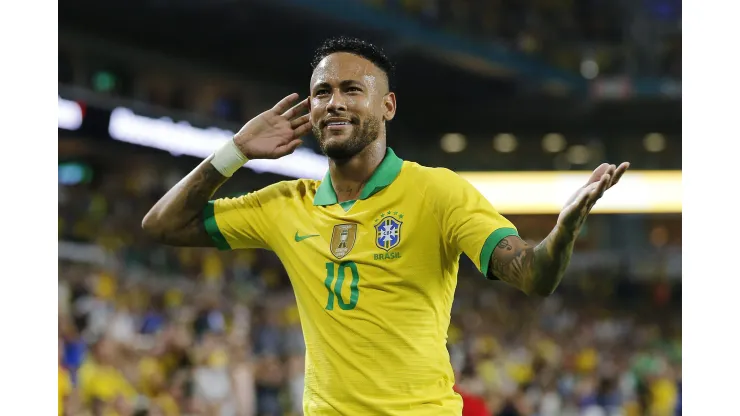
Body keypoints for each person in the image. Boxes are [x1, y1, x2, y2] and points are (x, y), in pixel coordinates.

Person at [142, 36, 629, 415]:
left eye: (352, 90)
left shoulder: (437, 192)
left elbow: (532, 273)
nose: (333, 102)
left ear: (387, 106)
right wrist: (235, 152)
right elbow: (162, 225)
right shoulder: (286, 204)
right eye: (322, 93)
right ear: (309, 112)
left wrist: (562, 232)